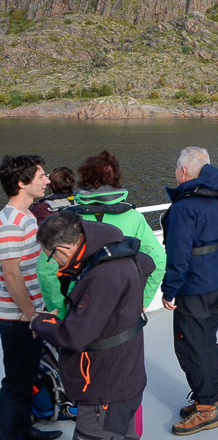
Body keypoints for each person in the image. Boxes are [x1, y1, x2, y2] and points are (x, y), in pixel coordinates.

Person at [32, 212, 155, 440]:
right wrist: (128, 307)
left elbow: (74, 337)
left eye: (52, 257)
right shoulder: (118, 252)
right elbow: (148, 263)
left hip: (105, 388)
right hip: (128, 376)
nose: (56, 265)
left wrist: (40, 322)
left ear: (63, 250)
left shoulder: (102, 276)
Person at [162, 147, 218, 436]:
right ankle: (211, 397)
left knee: (190, 346)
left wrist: (169, 290)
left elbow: (178, 255)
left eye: (177, 168)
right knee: (206, 341)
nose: (175, 173)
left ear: (184, 171)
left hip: (194, 287)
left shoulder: (183, 207)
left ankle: (207, 409)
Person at [38, 151, 166, 318]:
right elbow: (158, 260)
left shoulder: (67, 220)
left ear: (84, 180)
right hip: (122, 307)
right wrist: (142, 301)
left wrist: (60, 311)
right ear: (117, 180)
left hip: (79, 308)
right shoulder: (133, 217)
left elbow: (45, 270)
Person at [0, 155, 61, 440]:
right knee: (17, 382)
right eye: (41, 176)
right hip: (18, 318)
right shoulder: (11, 222)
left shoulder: (25, 216)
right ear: (22, 183)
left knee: (27, 378)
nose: (47, 180)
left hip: (30, 314)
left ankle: (24, 429)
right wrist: (29, 313)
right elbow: (11, 274)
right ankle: (14, 434)